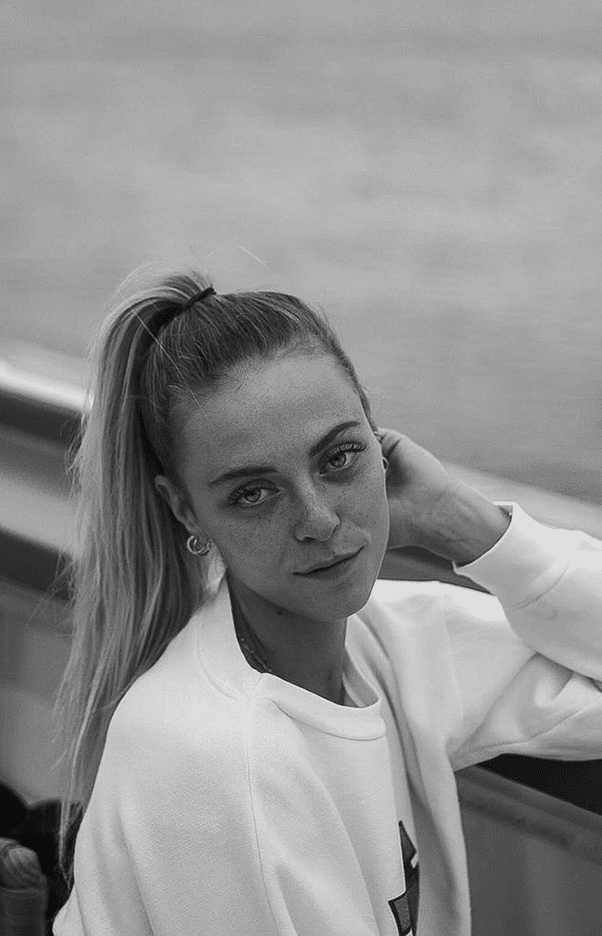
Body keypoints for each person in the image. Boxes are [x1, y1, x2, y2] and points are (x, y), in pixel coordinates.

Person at [51, 269, 602, 936]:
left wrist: (462, 522)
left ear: (380, 442)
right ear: (186, 510)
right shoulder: (221, 760)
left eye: (339, 458)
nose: (317, 519)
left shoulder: (384, 642)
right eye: (254, 493)